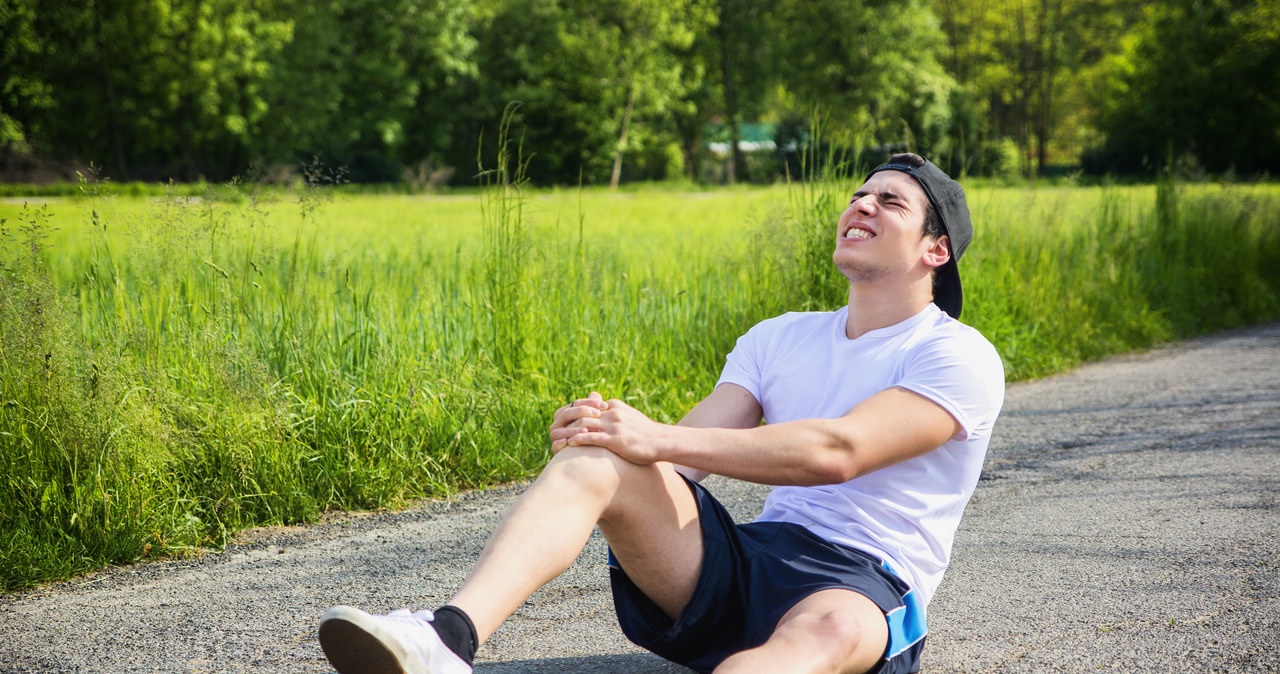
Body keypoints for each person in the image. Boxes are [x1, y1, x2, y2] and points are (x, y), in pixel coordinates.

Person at [317, 153, 1005, 674]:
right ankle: (446, 640)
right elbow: (681, 455)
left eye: (890, 201)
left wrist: (651, 435)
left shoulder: (958, 357)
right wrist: (612, 443)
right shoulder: (780, 336)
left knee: (817, 639)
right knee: (605, 457)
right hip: (746, 562)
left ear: (935, 251)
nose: (863, 203)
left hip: (864, 583)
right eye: (859, 193)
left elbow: (839, 452)